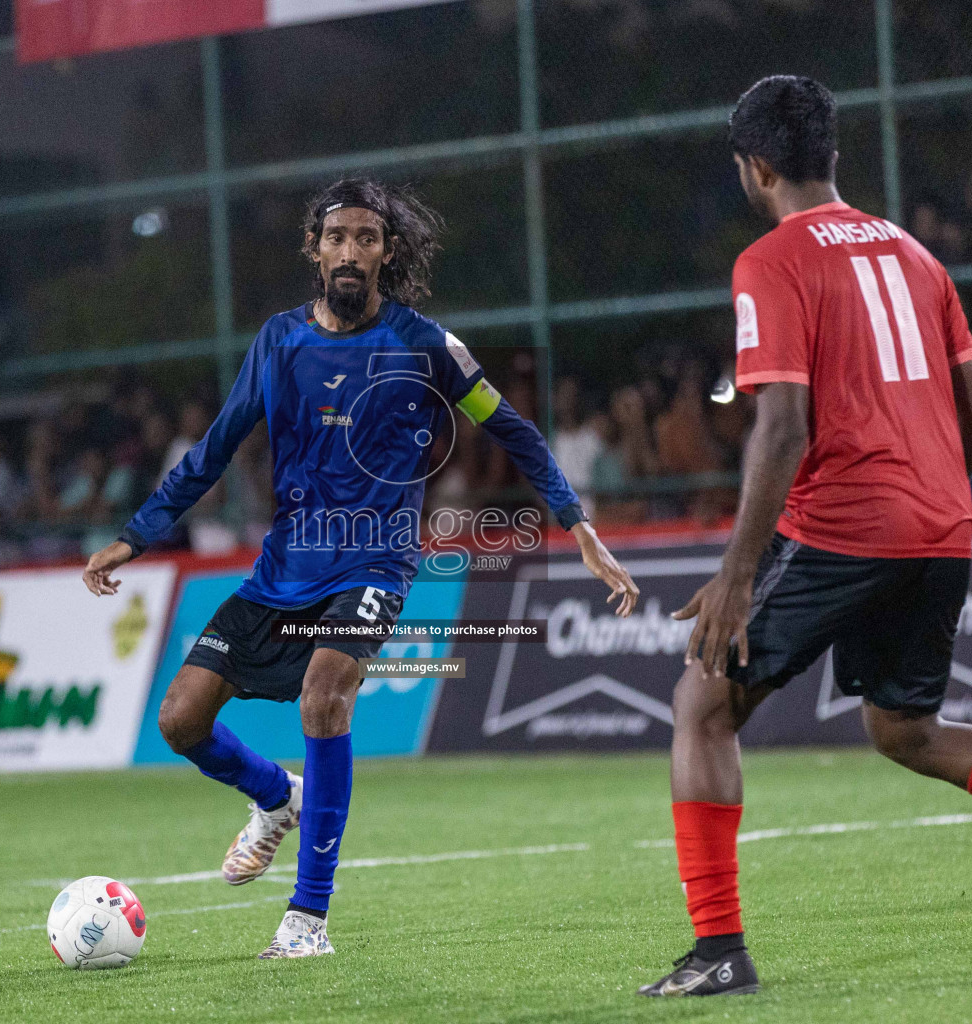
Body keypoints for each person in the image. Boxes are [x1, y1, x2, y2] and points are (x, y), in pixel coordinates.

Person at [642, 76, 972, 999]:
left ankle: (717, 949)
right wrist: (929, 488)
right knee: (906, 729)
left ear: (754, 167)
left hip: (848, 525)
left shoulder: (771, 260)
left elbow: (782, 426)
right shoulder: (918, 257)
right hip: (940, 525)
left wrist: (736, 575)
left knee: (701, 706)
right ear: (833, 156)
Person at [81, 179, 638, 959]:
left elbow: (514, 430)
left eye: (366, 238)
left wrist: (577, 525)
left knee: (324, 698)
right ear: (314, 250)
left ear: (389, 251)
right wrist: (136, 537)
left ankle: (308, 920)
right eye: (336, 236)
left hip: (376, 562)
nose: (350, 250)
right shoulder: (279, 342)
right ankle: (277, 799)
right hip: (284, 569)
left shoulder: (424, 345)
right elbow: (212, 451)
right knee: (179, 720)